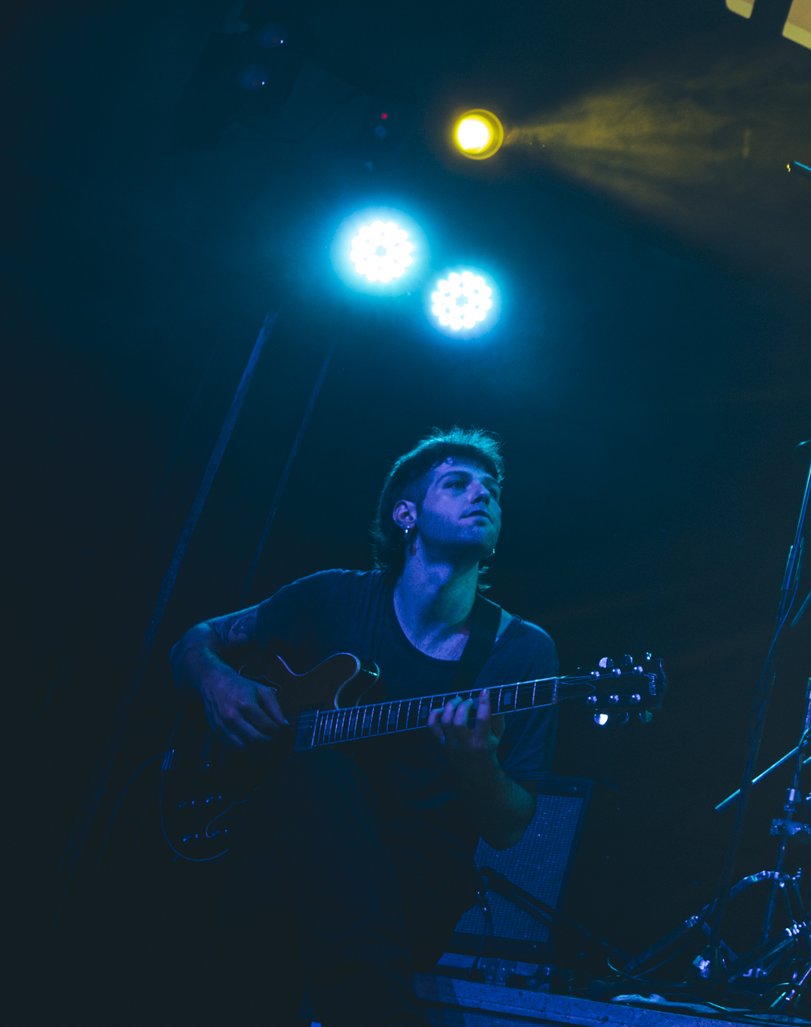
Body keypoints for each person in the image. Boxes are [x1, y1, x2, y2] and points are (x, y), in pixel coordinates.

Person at [171, 428, 559, 1025]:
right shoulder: (330, 598)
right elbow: (196, 640)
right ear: (406, 513)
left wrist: (476, 765)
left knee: (304, 804)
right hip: (289, 851)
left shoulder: (522, 653)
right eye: (458, 483)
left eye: (492, 490)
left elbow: (509, 828)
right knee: (313, 781)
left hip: (414, 880)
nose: (483, 495)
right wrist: (218, 682)